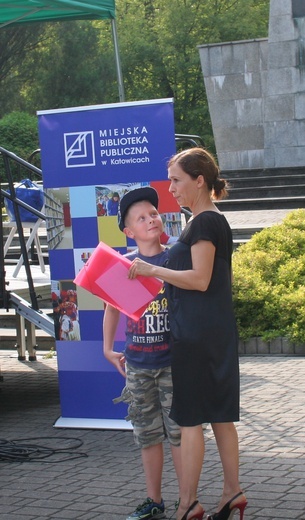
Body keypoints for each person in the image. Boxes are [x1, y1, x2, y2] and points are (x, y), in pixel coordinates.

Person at [128, 148, 248, 520]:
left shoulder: (204, 222)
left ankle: (187, 504)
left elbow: (199, 279)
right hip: (211, 332)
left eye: (177, 180)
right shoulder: (209, 220)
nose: (172, 188)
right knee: (221, 416)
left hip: (197, 336)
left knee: (193, 419)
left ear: (200, 181)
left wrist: (153, 271)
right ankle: (231, 493)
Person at [103, 187, 182, 520]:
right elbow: (112, 309)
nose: (151, 219)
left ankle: (187, 499)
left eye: (153, 213)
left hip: (174, 364)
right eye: (141, 217)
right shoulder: (123, 266)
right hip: (137, 364)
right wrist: (107, 349)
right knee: (148, 436)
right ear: (128, 231)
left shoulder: (175, 258)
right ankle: (154, 500)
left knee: (180, 434)